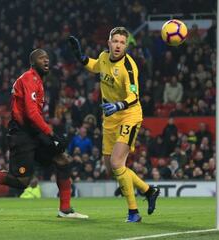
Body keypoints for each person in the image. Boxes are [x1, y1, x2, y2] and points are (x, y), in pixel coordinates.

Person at [0, 49, 88, 219]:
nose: (46, 61)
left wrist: (47, 134)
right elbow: (31, 113)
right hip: (22, 133)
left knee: (63, 160)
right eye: (42, 59)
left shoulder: (37, 80)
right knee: (20, 181)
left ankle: (65, 209)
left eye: (48, 58)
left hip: (33, 132)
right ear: (33, 62)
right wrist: (50, 134)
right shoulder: (29, 78)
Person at [68, 27, 160, 222]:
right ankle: (148, 190)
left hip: (129, 114)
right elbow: (94, 66)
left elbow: (134, 96)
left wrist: (118, 105)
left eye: (122, 42)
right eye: (115, 41)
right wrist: (80, 57)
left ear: (126, 46)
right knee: (110, 169)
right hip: (109, 118)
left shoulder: (128, 67)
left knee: (118, 163)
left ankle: (133, 213)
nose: (118, 45)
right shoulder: (103, 57)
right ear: (108, 43)